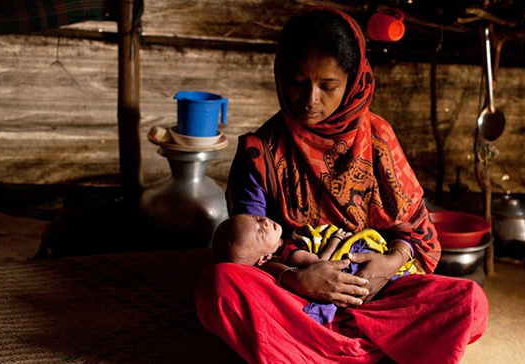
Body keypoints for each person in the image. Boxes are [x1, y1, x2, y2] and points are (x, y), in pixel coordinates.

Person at [195, 6, 488, 364]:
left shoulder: (378, 138)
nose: (310, 100)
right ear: (280, 75)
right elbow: (246, 250)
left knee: (471, 303)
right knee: (219, 287)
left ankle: (312, 352)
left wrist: (389, 263)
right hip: (295, 295)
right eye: (297, 82)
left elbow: (419, 236)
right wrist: (296, 279)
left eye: (328, 86)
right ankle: (364, 351)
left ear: (353, 81)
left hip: (376, 292)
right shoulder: (262, 152)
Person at [212, 214, 424, 325]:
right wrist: (335, 240)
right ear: (265, 257)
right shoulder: (291, 252)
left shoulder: (288, 245)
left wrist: (395, 257)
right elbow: (321, 265)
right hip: (350, 266)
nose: (265, 221)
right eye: (260, 231)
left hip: (385, 259)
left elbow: (417, 227)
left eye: (258, 219)